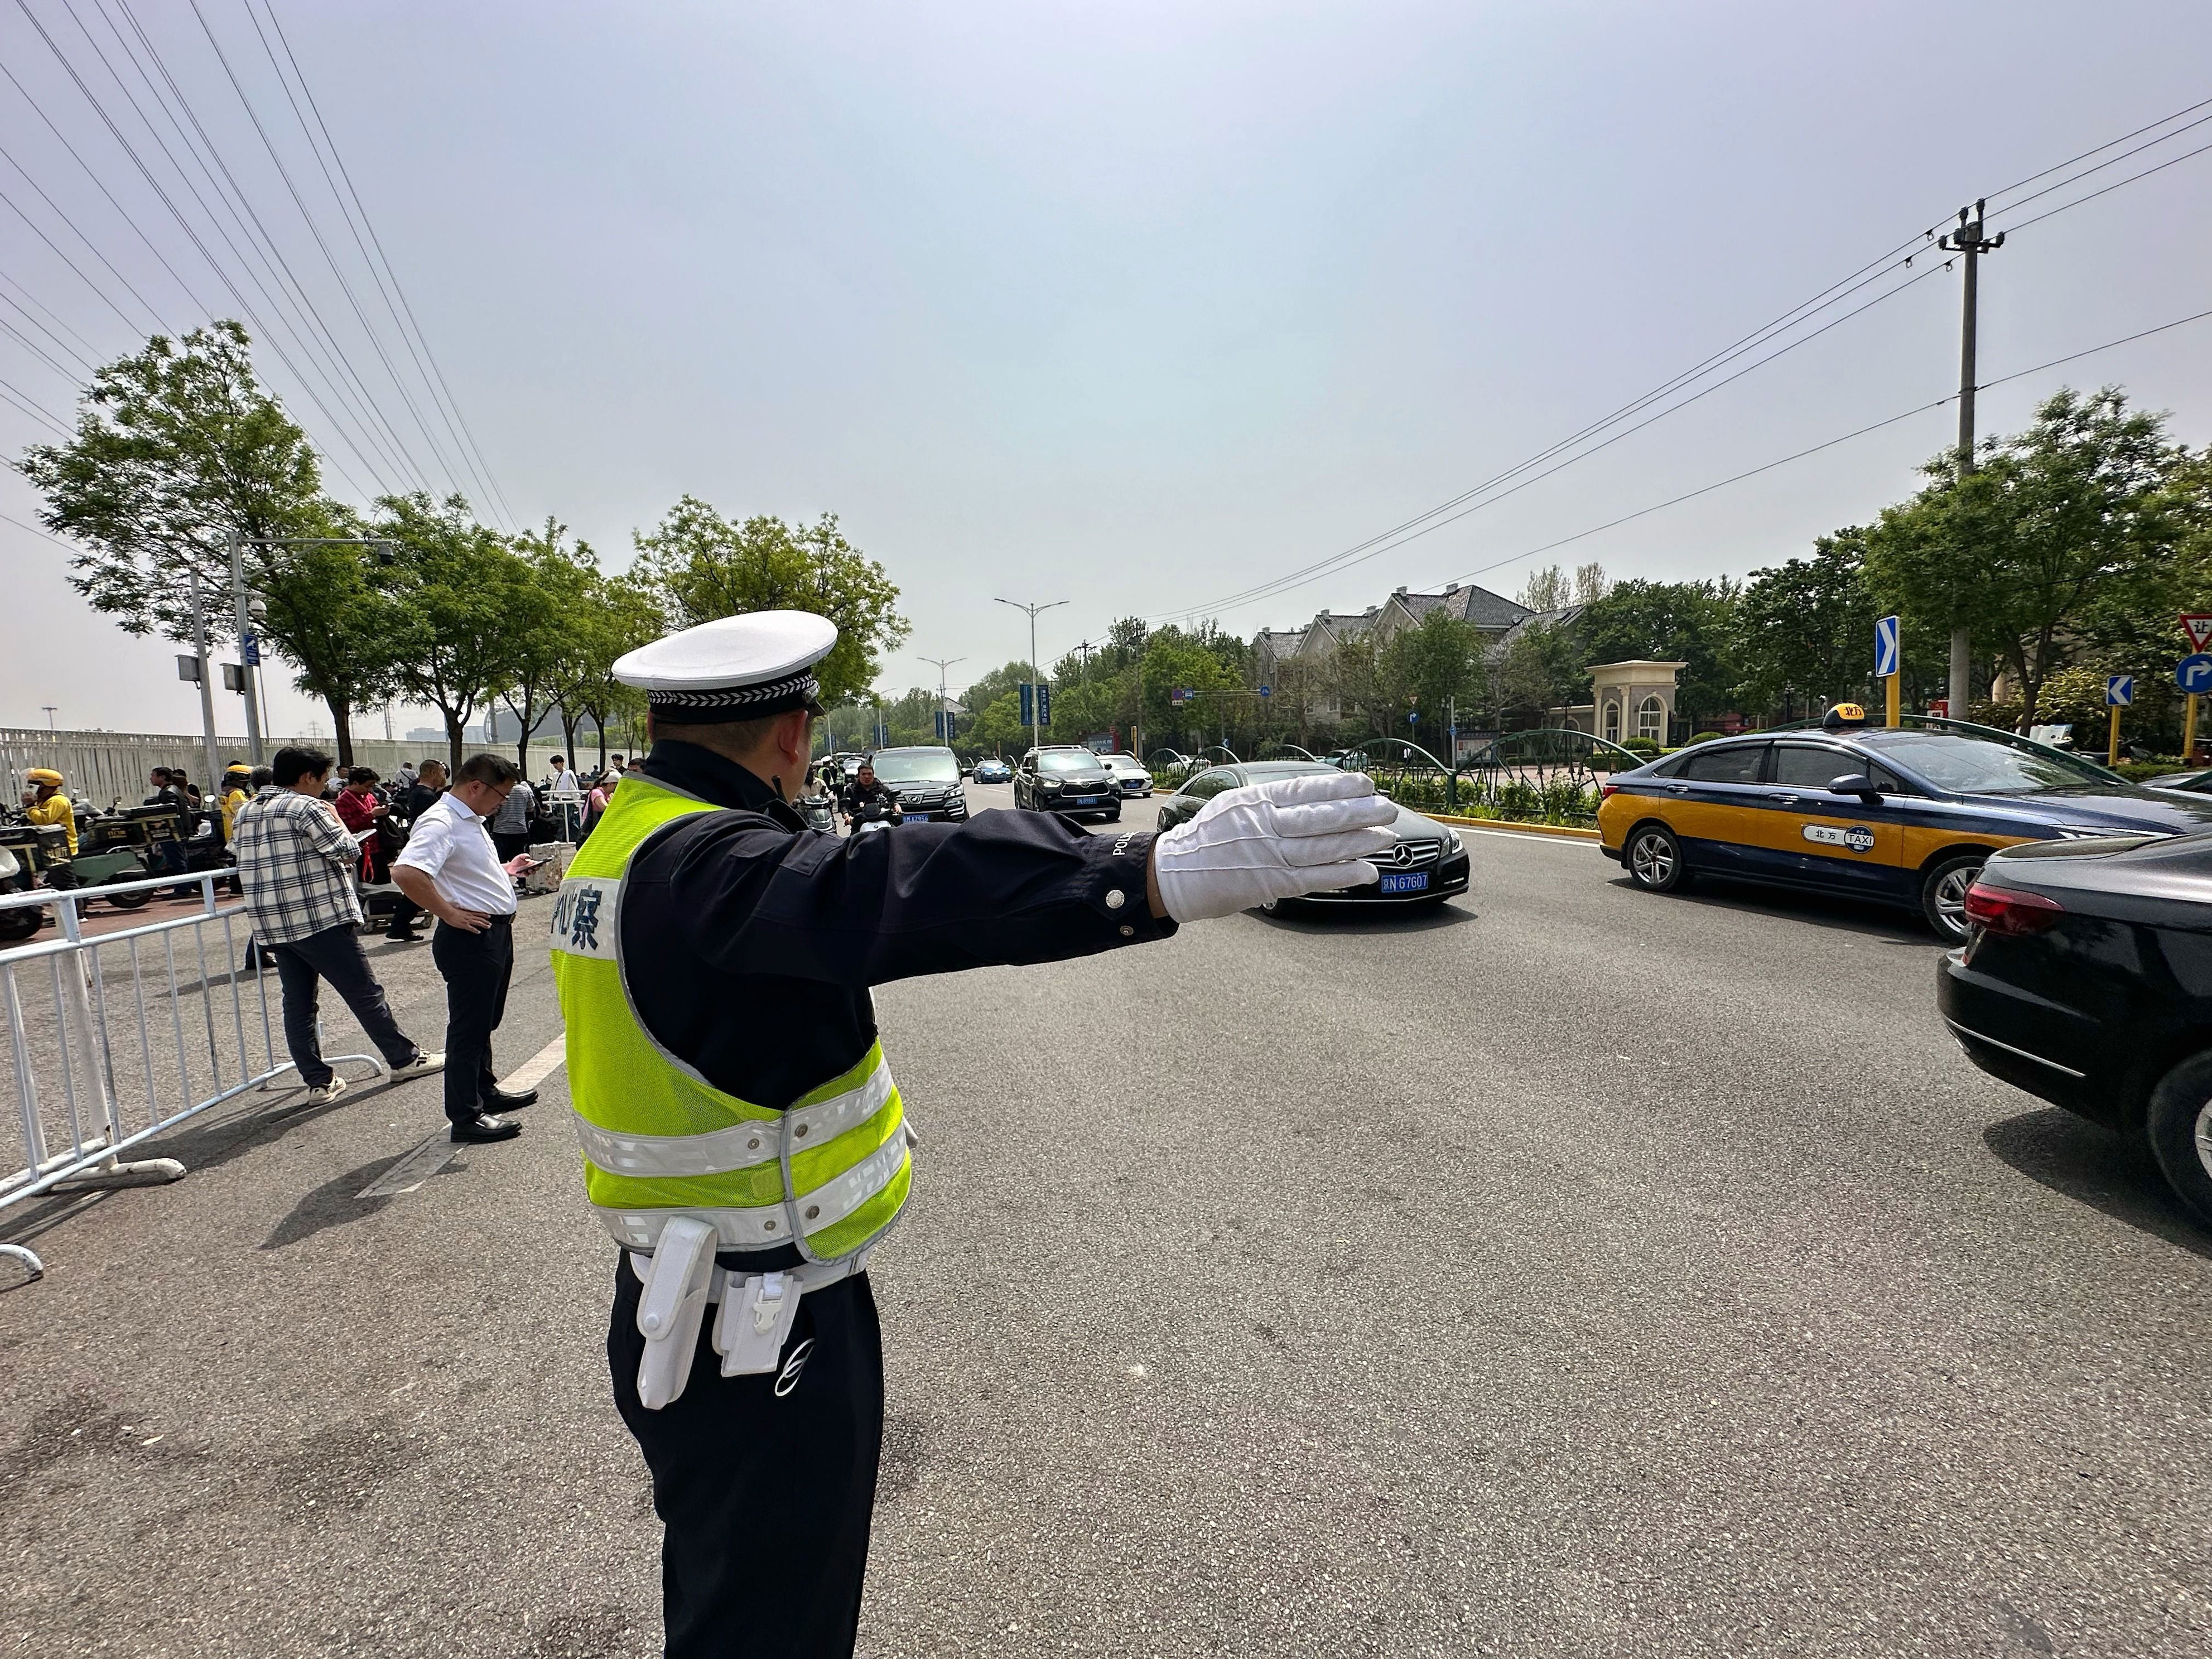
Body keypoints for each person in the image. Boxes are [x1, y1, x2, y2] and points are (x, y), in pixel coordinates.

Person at [550, 610, 1392, 1657]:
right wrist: (1138, 873)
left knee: (731, 1590)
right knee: (773, 1622)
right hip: (756, 1323)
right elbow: (877, 887)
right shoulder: (704, 858)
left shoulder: (624, 836)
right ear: (794, 736)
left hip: (692, 1294)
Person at [231, 746, 443, 1106]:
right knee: (364, 992)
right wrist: (336, 818)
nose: (326, 785)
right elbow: (346, 850)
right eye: (323, 778)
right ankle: (404, 1058)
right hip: (318, 917)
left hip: (273, 923)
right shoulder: (308, 807)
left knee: (298, 1004)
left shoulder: (247, 812)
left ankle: (318, 1081)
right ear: (306, 777)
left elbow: (238, 852)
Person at [392, 754, 540, 1144]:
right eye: (501, 795)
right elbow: (407, 872)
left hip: (491, 933)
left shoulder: (468, 820)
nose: (502, 803)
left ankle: (484, 1092)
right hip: (470, 938)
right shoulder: (441, 821)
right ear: (476, 786)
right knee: (468, 1028)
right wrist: (447, 913)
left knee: (484, 1021)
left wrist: (507, 870)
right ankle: (465, 1115)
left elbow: (463, 870)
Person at [382, 760, 448, 943]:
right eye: (442, 772)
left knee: (422, 888)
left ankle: (399, 925)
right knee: (422, 889)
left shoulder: (417, 791)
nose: (444, 776)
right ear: (433, 772)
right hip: (429, 845)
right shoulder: (426, 796)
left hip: (421, 843)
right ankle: (399, 925)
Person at [489, 770, 538, 862]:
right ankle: (521, 877)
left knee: (501, 863)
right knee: (520, 861)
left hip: (501, 830)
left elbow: (493, 810)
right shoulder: (525, 790)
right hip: (520, 830)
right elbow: (531, 808)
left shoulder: (500, 791)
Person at [836, 760, 899, 831]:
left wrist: (897, 806)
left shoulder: (882, 789)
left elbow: (892, 799)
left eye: (869, 774)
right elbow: (844, 805)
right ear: (858, 776)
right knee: (852, 841)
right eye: (864, 774)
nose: (867, 777)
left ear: (873, 775)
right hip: (860, 824)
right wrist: (847, 817)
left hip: (883, 823)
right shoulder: (851, 790)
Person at [218, 763, 253, 843]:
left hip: (231, 836)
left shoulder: (227, 791)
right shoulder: (236, 794)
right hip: (240, 837)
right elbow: (246, 814)